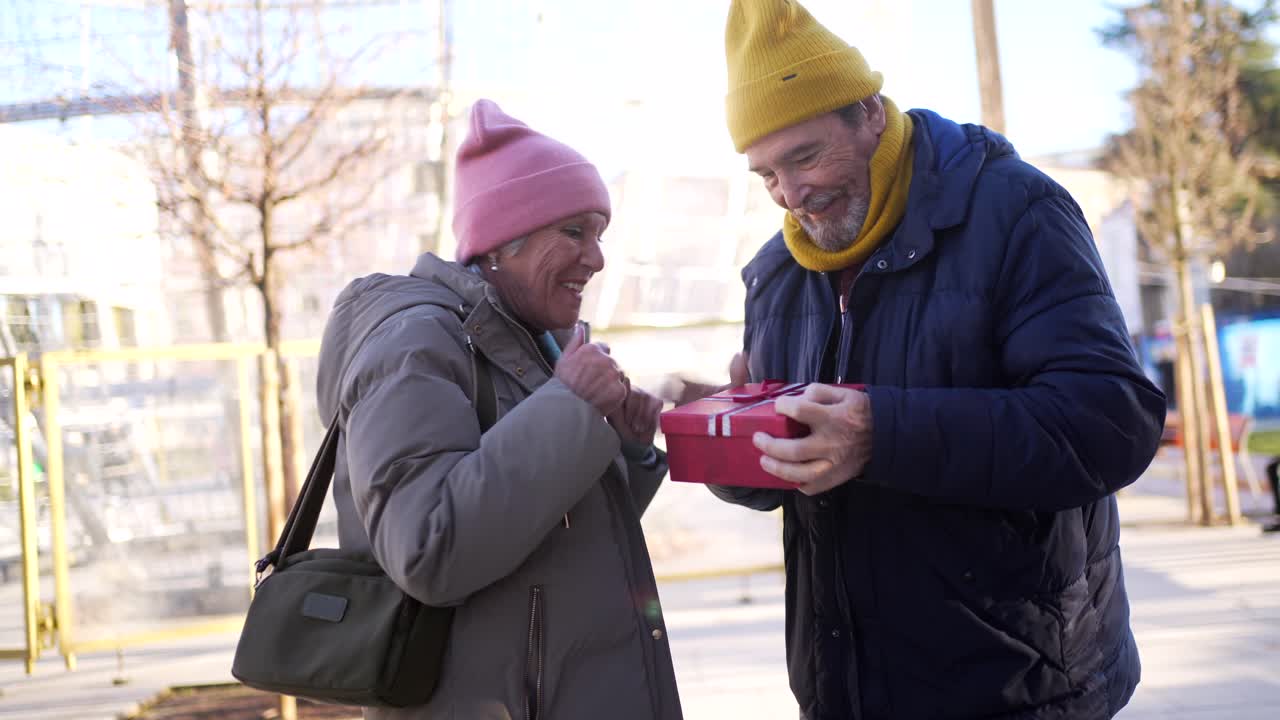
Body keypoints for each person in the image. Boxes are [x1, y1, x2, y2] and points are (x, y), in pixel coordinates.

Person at [690, 2, 1169, 718]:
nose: (792, 197)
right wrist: (731, 432)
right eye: (766, 176)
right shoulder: (777, 271)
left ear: (871, 114)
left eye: (805, 156)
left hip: (1020, 689)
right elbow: (793, 485)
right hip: (846, 694)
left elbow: (1111, 423)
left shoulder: (1017, 212)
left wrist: (883, 432)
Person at [315, 99, 683, 720]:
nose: (596, 258)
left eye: (599, 234)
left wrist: (627, 448)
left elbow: (548, 534)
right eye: (574, 231)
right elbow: (429, 549)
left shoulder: (526, 342)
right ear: (500, 243)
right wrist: (570, 407)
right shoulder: (415, 344)